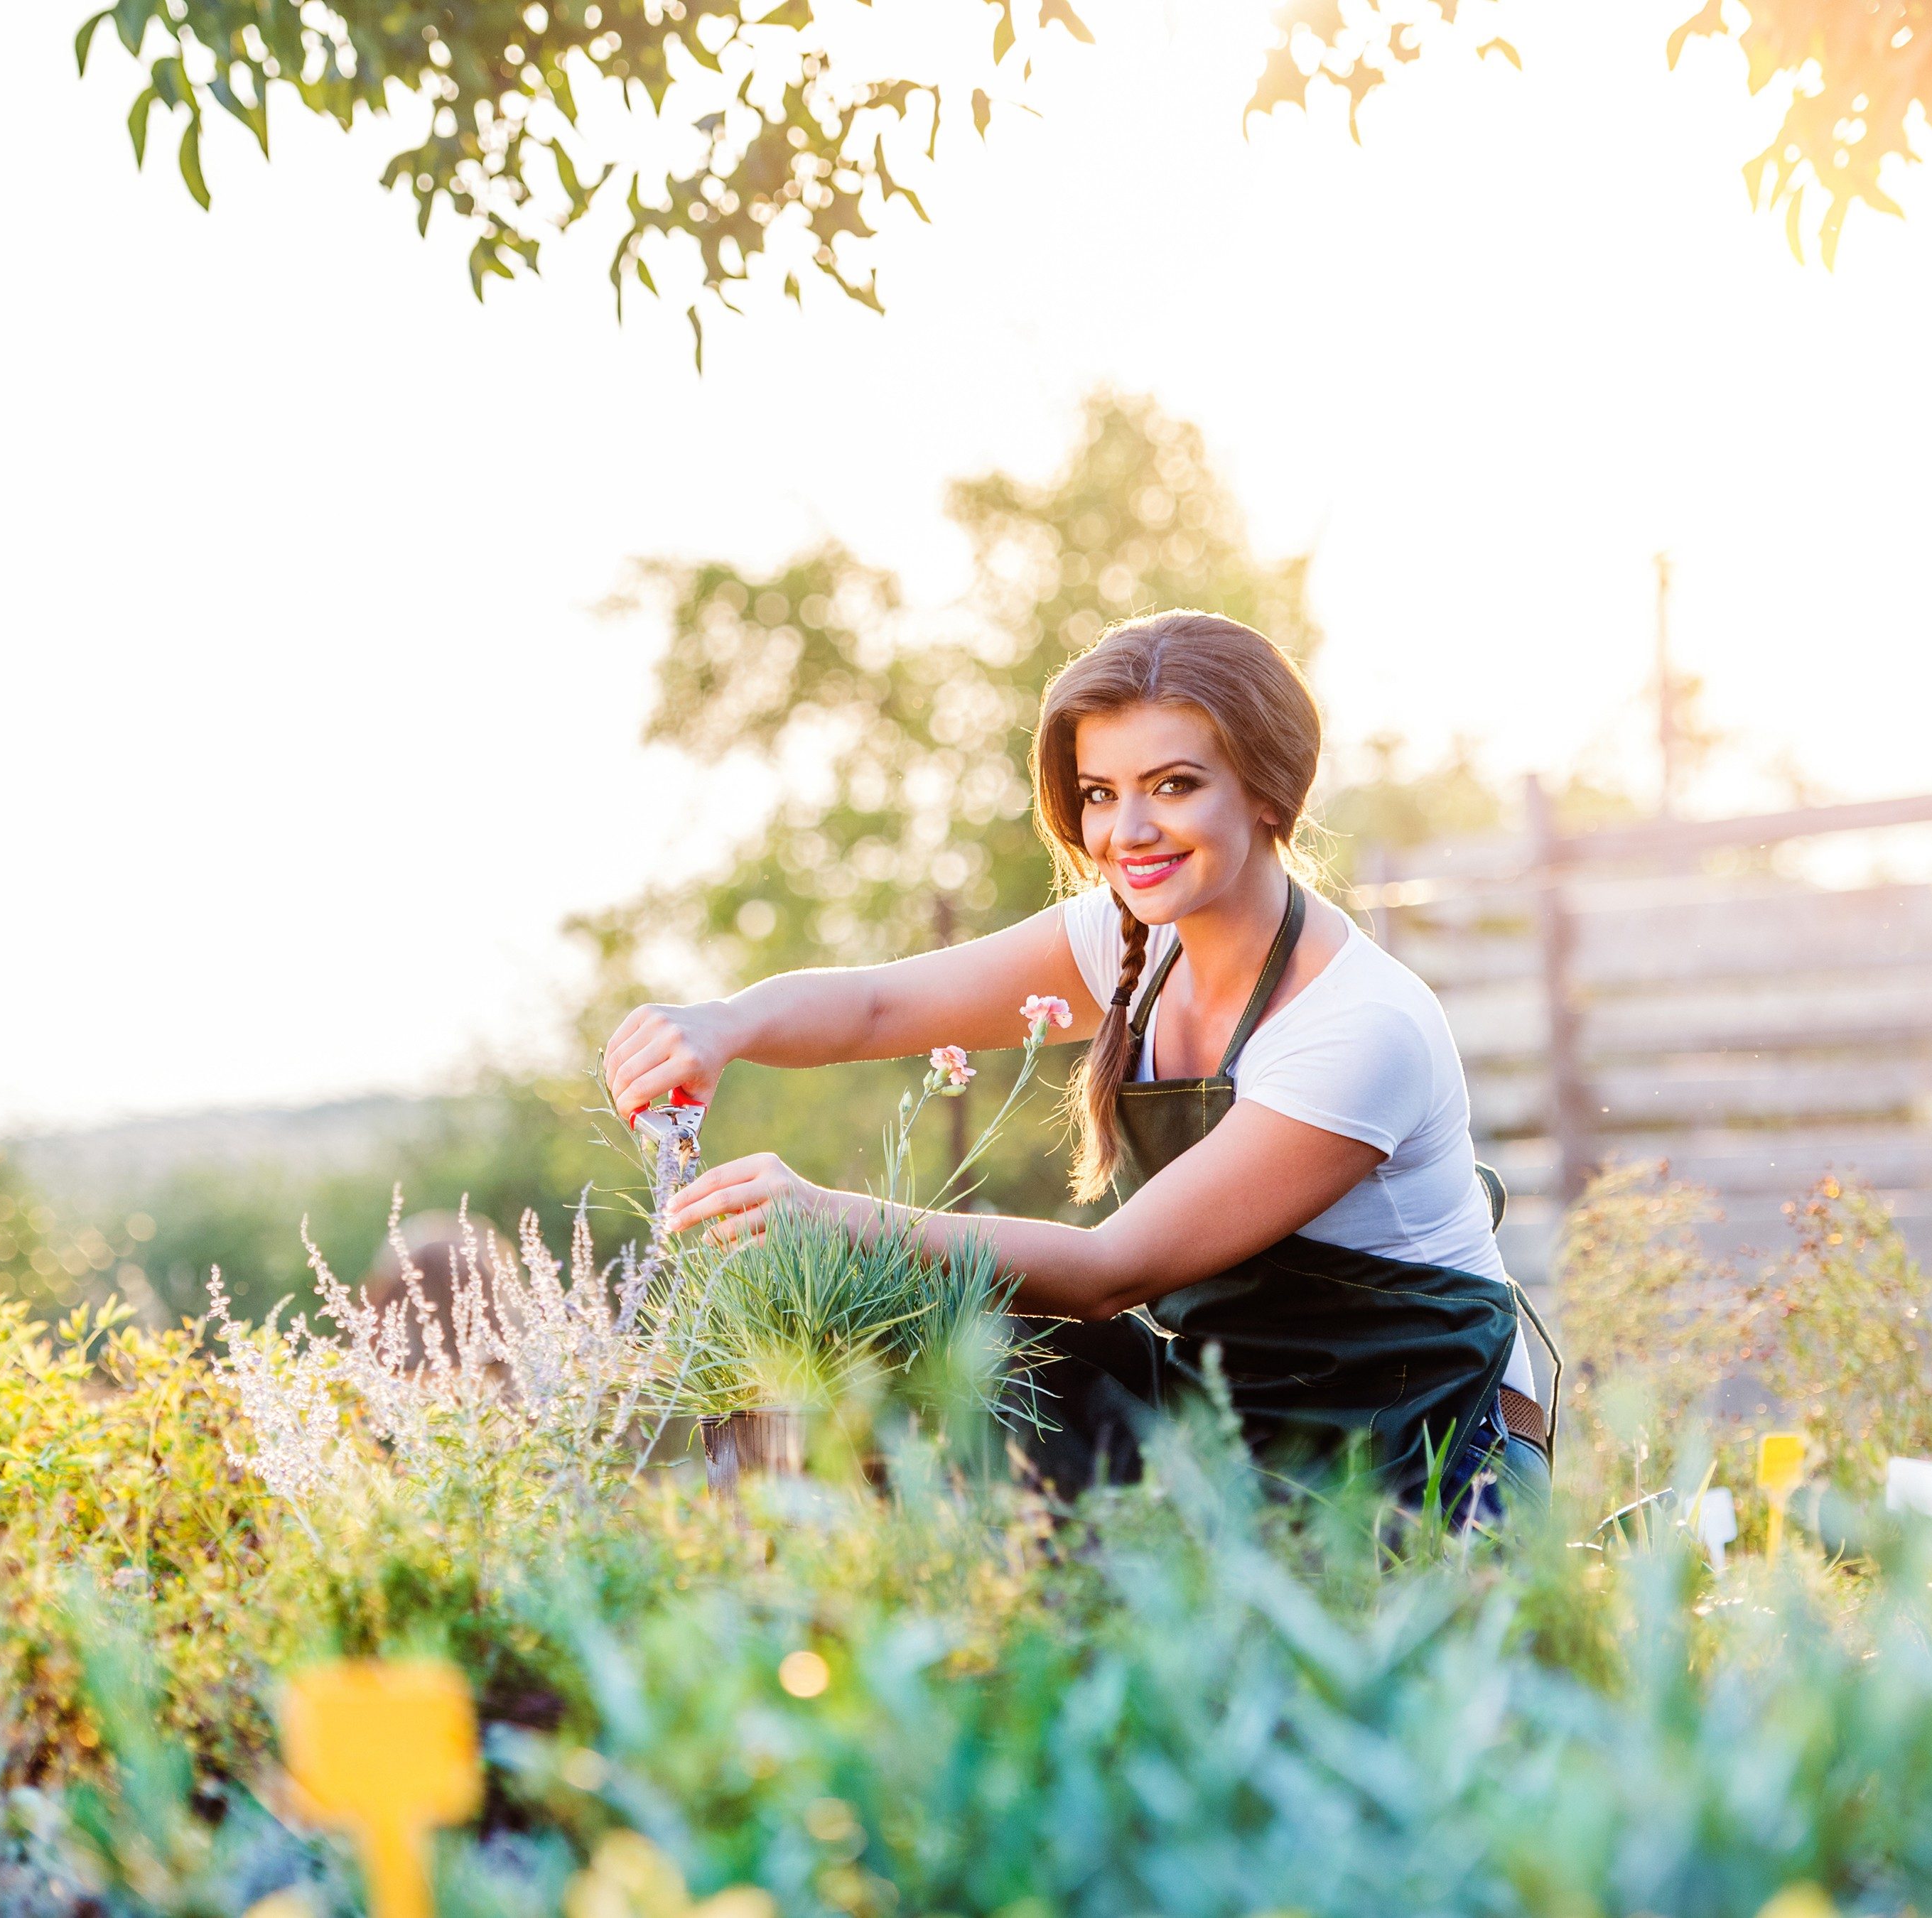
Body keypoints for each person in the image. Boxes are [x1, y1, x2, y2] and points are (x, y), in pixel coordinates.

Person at [604, 609, 1553, 1517]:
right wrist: (724, 1023)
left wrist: (835, 1216)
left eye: (1174, 785)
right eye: (1101, 793)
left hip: (1415, 1457)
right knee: (913, 1337)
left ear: (1270, 789)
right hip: (1230, 1408)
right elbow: (878, 1005)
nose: (1126, 831)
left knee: (962, 1314)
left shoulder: (1359, 1025)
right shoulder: (1131, 939)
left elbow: (1111, 1270)